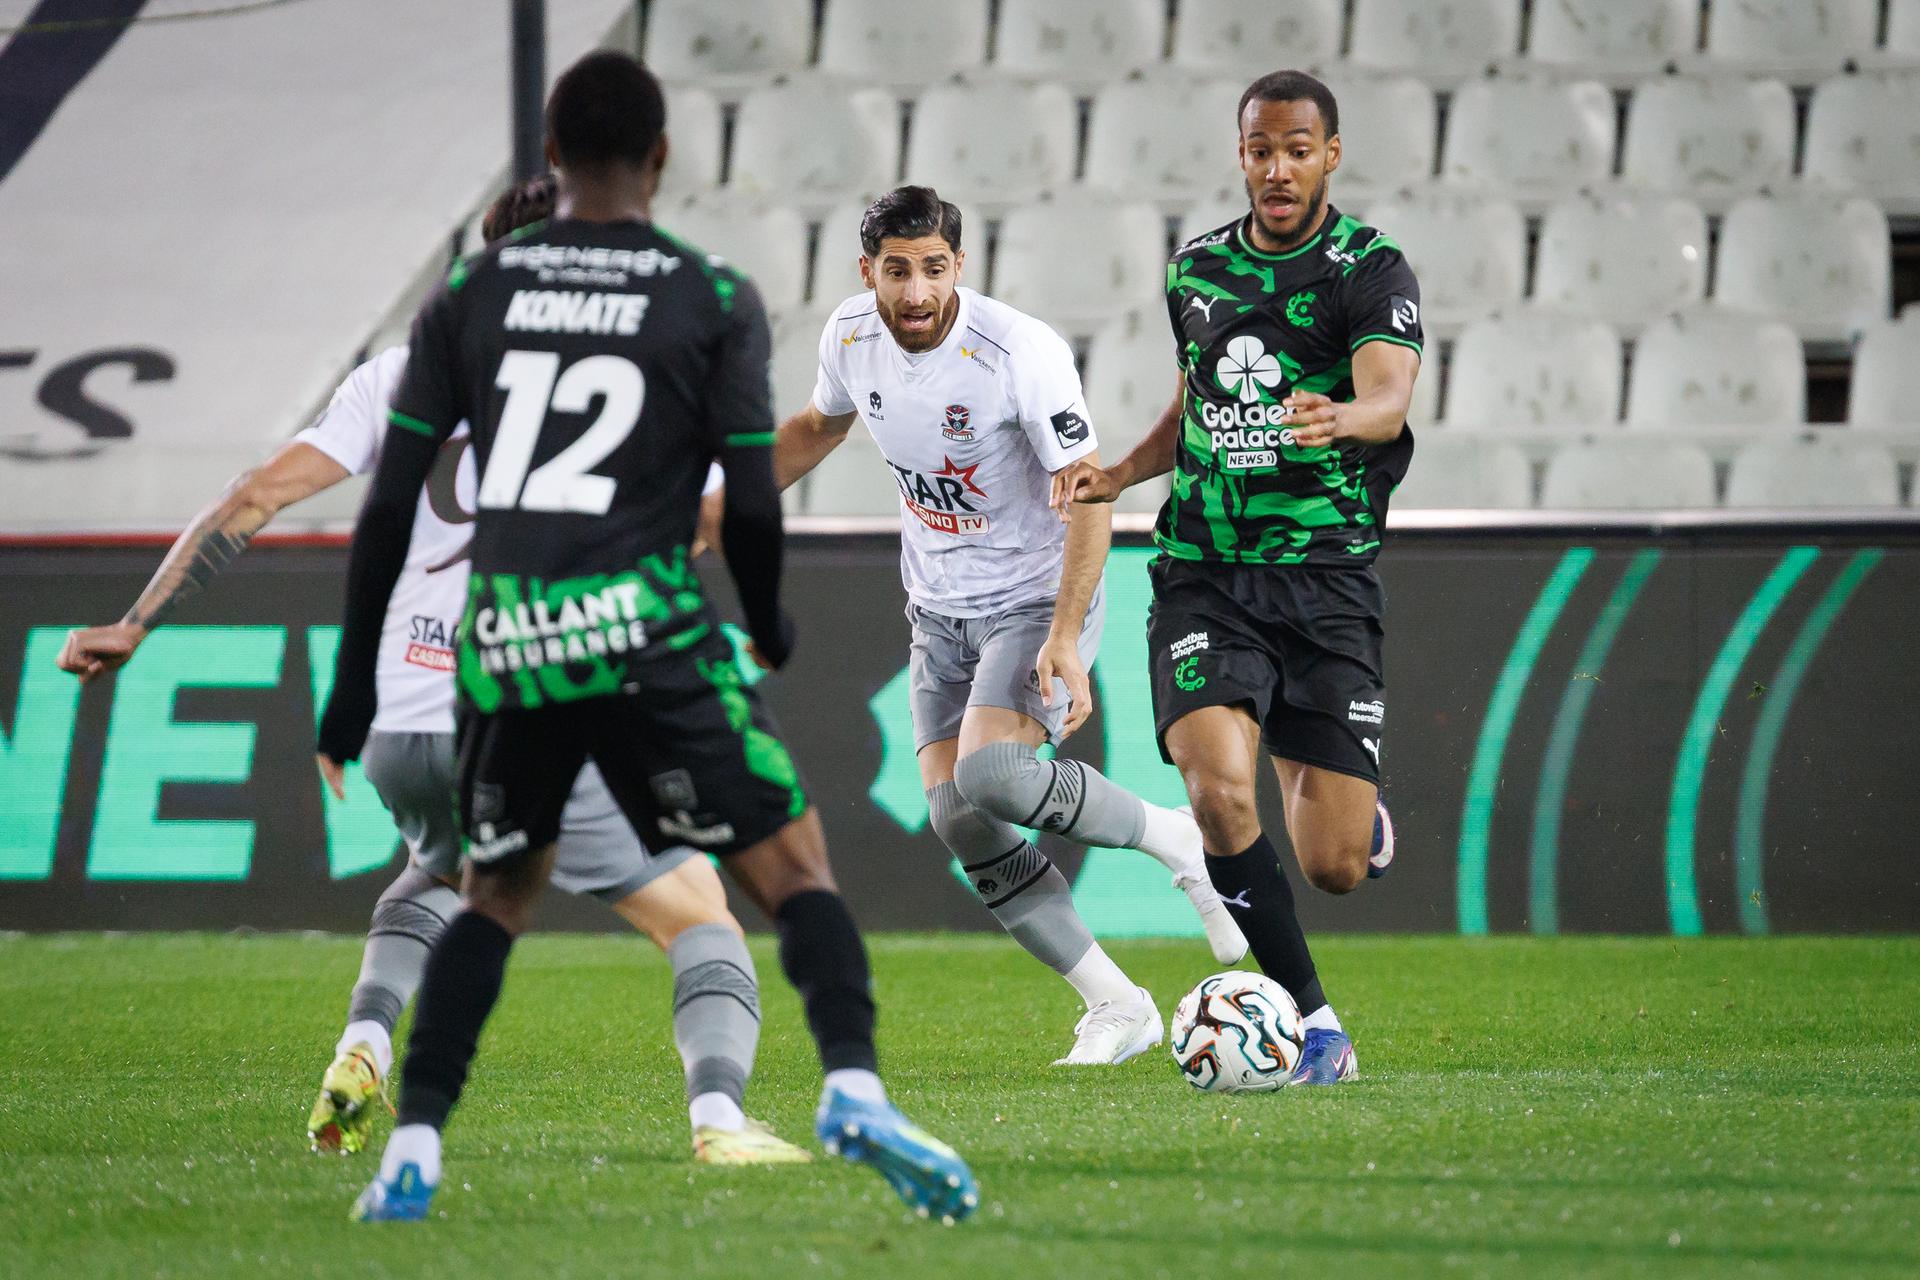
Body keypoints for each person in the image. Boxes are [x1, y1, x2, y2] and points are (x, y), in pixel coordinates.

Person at [314, 53, 975, 1222]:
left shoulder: (470, 298)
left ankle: (413, 1142)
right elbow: (751, 492)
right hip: (650, 636)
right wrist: (764, 617)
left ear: (554, 159)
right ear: (664, 158)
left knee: (492, 895)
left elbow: (385, 506)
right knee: (789, 866)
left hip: (513, 641)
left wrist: (349, 691)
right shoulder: (708, 295)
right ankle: (855, 1086)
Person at [53, 177, 804, 1165]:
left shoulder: (402, 372)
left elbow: (254, 494)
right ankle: (718, 1120)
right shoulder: (629, 379)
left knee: (436, 868)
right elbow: (716, 518)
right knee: (704, 919)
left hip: (405, 723)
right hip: (532, 697)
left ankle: (363, 1040)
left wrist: (136, 619)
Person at [774, 186, 1247, 1066]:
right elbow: (813, 428)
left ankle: (1174, 835)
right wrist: (717, 507)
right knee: (961, 820)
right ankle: (1117, 1002)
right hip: (936, 607)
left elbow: (1092, 494)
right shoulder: (849, 336)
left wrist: (1065, 636)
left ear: (962, 265)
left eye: (934, 269)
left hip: (1032, 597)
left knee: (995, 774)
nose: (915, 292)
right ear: (867, 270)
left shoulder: (1018, 352)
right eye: (896, 270)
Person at [1054, 70, 1423, 1086]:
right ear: (1242, 153)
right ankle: (1315, 1021)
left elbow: (1388, 398)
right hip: (1206, 574)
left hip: (1328, 579)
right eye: (1260, 149)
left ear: (1330, 155)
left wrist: (1341, 415)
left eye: (1297, 149)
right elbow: (1199, 405)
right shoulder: (1196, 271)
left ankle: (1362, 819)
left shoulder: (1368, 268)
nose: (1276, 168)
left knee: (1333, 866)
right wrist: (1124, 472)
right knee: (1218, 791)